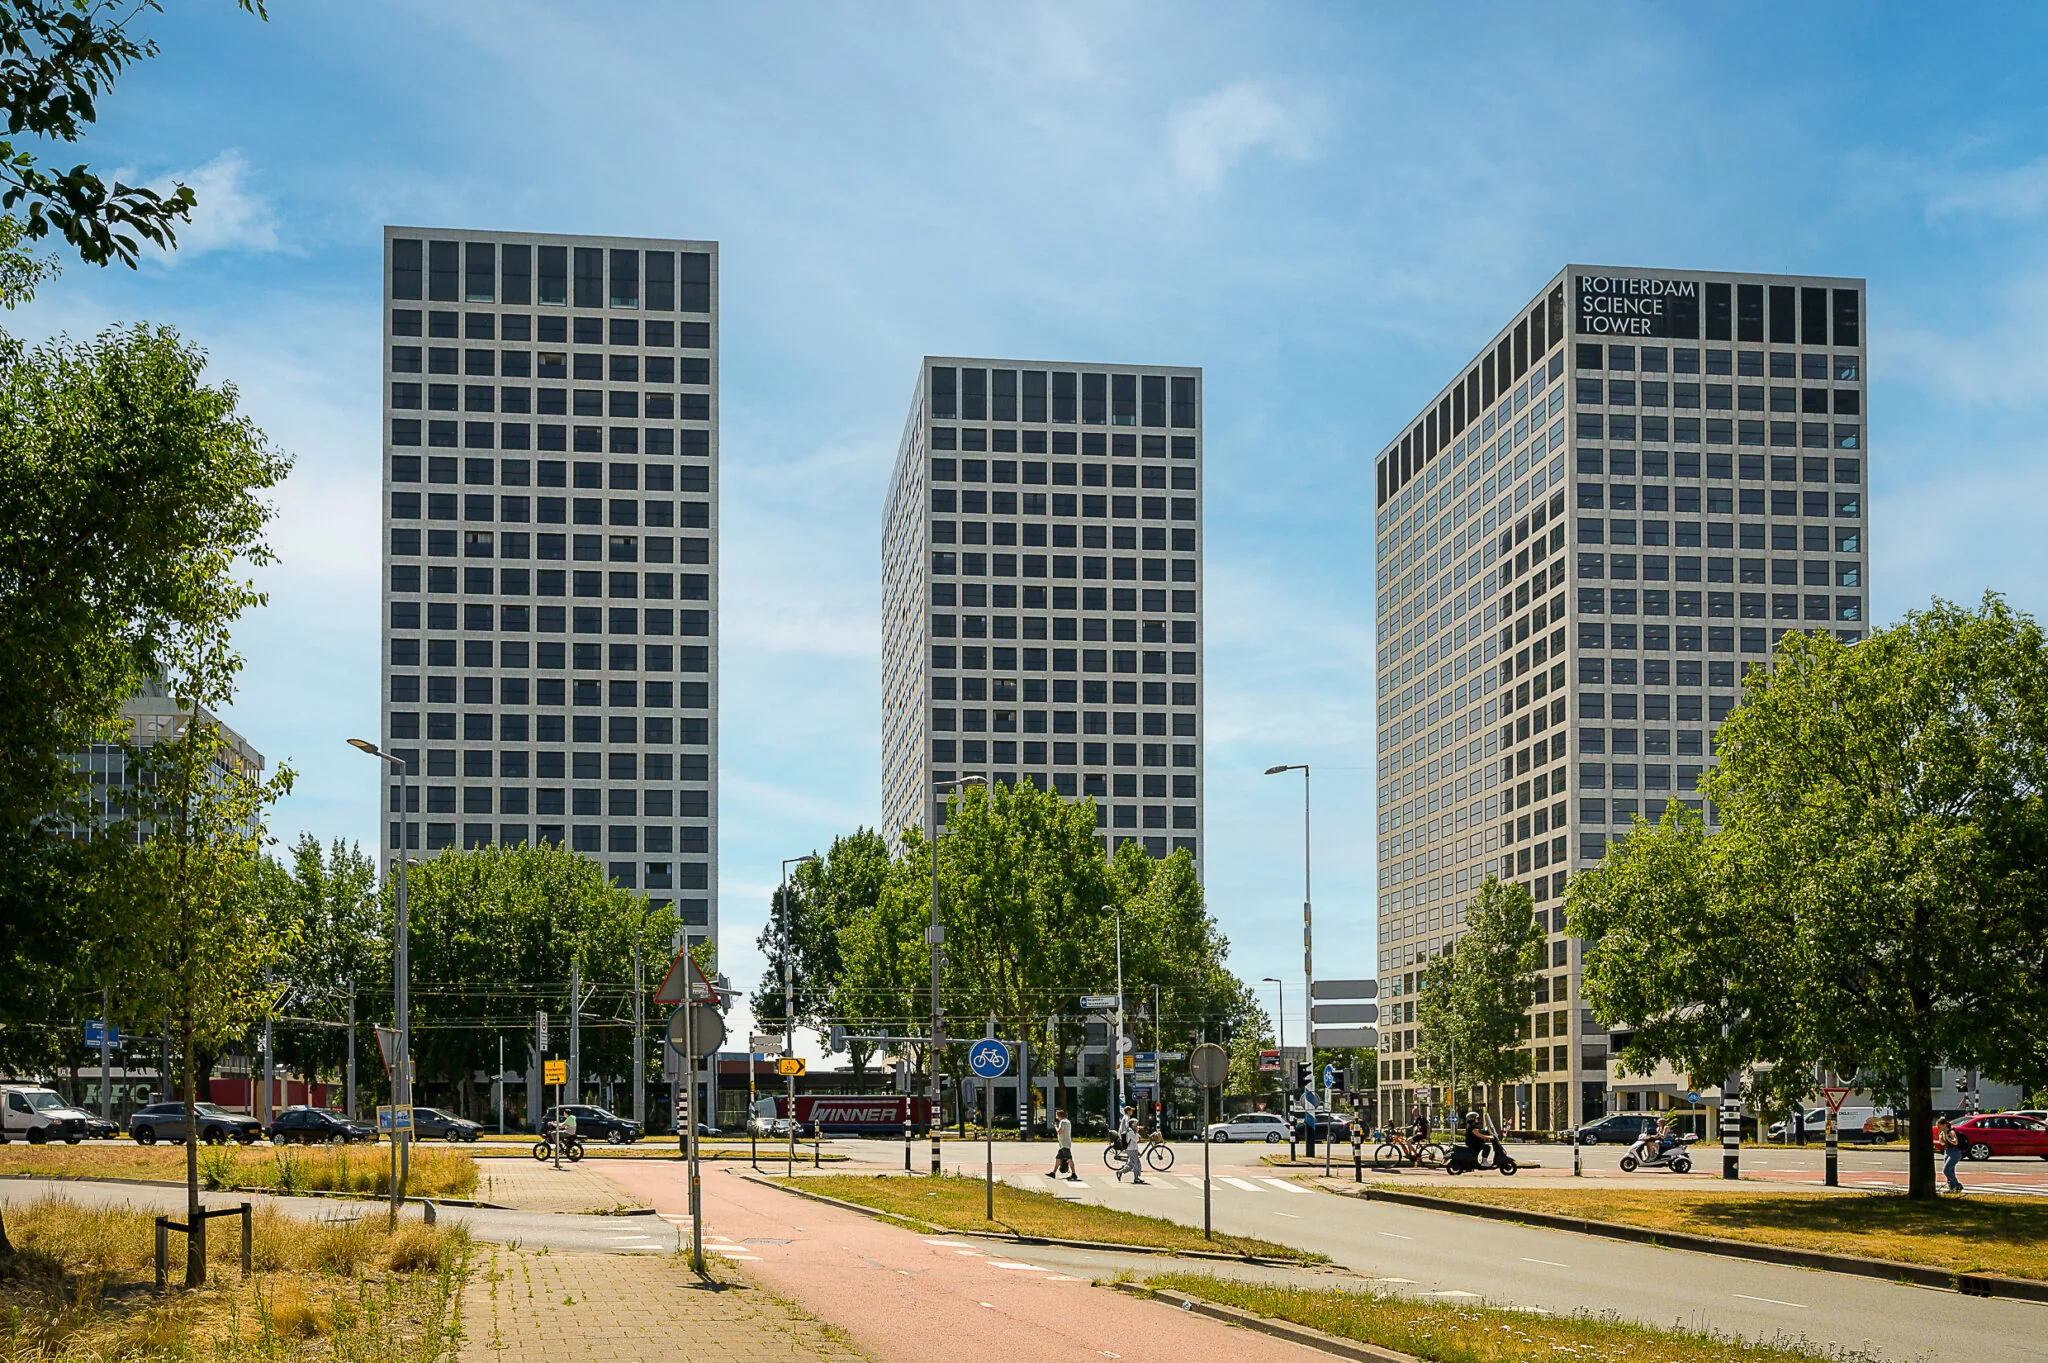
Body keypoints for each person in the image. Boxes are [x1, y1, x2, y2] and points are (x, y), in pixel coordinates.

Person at [1116, 1106, 1146, 1183]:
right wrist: (1137, 1133)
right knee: (1136, 1163)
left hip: (1132, 1148)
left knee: (1131, 1163)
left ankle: (1120, 1172)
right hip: (1131, 1148)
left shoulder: (1131, 1130)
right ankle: (1136, 1178)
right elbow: (1135, 1139)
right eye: (1135, 1125)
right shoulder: (1130, 1131)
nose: (1136, 1126)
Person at [1937, 1116, 1965, 1194]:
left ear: (1944, 1125)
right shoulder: (1942, 1132)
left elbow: (1955, 1142)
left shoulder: (1951, 1132)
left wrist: (1948, 1137)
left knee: (1946, 1170)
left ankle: (1957, 1185)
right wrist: (1941, 1136)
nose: (1938, 1127)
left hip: (1955, 1152)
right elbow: (1942, 1143)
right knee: (1951, 1171)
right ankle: (1952, 1188)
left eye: (1939, 1125)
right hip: (1947, 1151)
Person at [1048, 1109, 1075, 1180]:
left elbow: (1059, 1131)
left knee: (1069, 1158)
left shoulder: (1062, 1122)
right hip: (1065, 1143)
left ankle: (1074, 1173)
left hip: (1064, 1144)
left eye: (1057, 1115)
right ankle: (1053, 1173)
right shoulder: (1068, 1121)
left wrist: (1055, 1126)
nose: (1057, 1117)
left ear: (1059, 1116)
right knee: (1058, 1158)